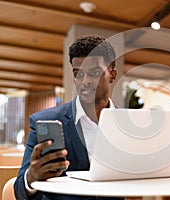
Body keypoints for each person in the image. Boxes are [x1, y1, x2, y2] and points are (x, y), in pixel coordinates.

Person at [14, 35, 123, 200]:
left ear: (112, 75)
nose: (85, 81)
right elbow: (19, 192)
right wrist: (31, 177)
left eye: (94, 73)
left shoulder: (128, 123)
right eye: (78, 74)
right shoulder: (42, 121)